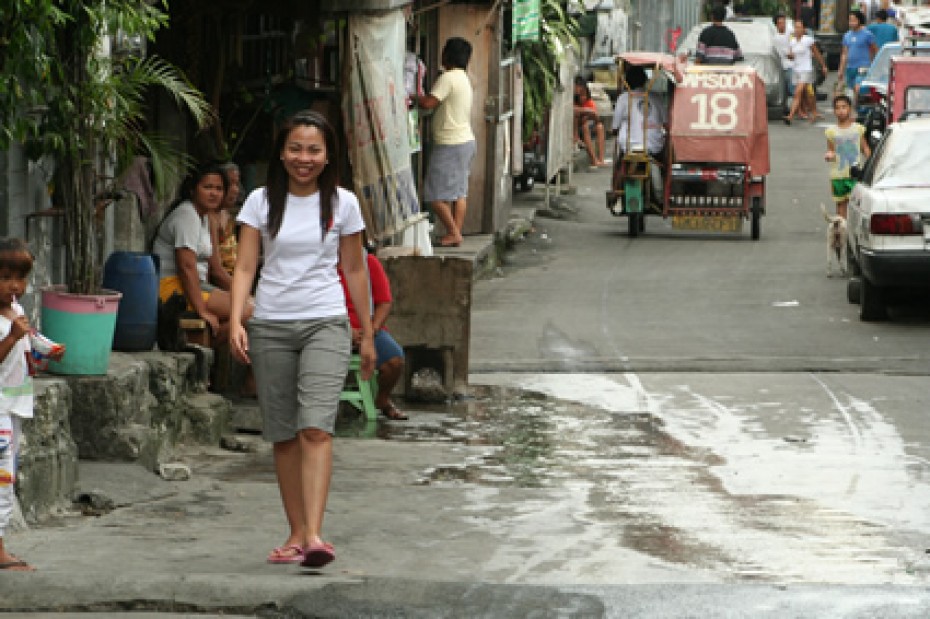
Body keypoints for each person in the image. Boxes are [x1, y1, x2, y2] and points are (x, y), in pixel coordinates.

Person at [228, 110, 376, 569]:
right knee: (284, 433)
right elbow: (247, 266)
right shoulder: (259, 201)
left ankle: (314, 534)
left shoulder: (343, 203)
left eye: (314, 149)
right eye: (296, 148)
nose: (304, 158)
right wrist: (237, 320)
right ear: (282, 151)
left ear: (329, 154)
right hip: (270, 323)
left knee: (315, 427)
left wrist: (367, 332)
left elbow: (354, 269)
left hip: (325, 323)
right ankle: (295, 532)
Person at [0, 238, 65, 572]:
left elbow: (23, 352)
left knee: (7, 475)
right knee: (2, 478)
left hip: (15, 404)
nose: (15, 286)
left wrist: (42, 352)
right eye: (6, 277)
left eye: (21, 278)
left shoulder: (19, 312)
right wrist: (11, 337)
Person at [153, 162, 252, 341]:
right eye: (207, 187)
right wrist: (202, 310)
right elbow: (186, 267)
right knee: (249, 311)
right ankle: (210, 342)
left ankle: (211, 343)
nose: (214, 193)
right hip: (171, 288)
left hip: (195, 285)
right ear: (193, 190)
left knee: (252, 306)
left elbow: (214, 267)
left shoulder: (204, 216)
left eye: (219, 188)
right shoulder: (187, 215)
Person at [417, 37, 476, 248]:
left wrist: (413, 96)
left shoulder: (448, 78)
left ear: (447, 55)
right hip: (466, 141)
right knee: (459, 192)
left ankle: (453, 232)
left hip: (450, 143)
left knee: (433, 194)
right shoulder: (463, 78)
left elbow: (429, 103)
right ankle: (455, 233)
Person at [338, 245, 407, 420]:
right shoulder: (320, 265)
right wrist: (346, 331)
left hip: (368, 329)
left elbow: (384, 302)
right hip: (331, 328)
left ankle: (382, 400)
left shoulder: (369, 263)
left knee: (395, 360)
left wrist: (371, 329)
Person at [824, 94, 871, 219]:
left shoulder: (858, 129)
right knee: (841, 206)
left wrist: (870, 163)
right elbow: (831, 150)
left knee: (856, 206)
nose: (841, 111)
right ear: (834, 111)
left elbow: (865, 148)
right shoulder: (831, 132)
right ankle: (842, 233)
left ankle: (852, 232)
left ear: (850, 109)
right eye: (837, 108)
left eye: (844, 107)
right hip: (838, 175)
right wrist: (830, 155)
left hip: (855, 175)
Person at [612, 65, 667, 157]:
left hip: (629, 147)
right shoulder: (657, 97)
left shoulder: (623, 98)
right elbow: (666, 123)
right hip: (655, 146)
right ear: (644, 80)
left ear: (627, 81)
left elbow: (615, 127)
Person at [784, 19, 829, 124]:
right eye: (796, 27)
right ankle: (814, 112)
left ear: (804, 29)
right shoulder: (792, 42)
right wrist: (789, 56)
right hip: (796, 70)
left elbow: (817, 53)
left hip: (806, 69)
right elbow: (791, 56)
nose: (797, 30)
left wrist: (823, 66)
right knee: (807, 93)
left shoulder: (808, 40)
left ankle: (790, 116)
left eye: (799, 27)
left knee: (797, 92)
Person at [210, 162, 242, 277]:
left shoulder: (226, 214)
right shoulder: (210, 218)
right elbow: (216, 270)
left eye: (236, 184)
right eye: (230, 183)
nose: (235, 190)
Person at [837, 10, 878, 101]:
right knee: (851, 90)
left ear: (859, 20)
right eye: (850, 20)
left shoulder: (867, 34)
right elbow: (844, 53)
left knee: (858, 88)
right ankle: (856, 109)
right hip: (850, 67)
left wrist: (874, 66)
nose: (851, 23)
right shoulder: (847, 35)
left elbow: (874, 49)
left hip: (863, 67)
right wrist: (841, 69)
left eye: (854, 20)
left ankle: (855, 108)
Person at [573, 80, 607, 168]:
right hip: (576, 129)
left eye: (585, 95)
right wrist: (586, 111)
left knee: (600, 127)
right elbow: (574, 110)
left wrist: (591, 114)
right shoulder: (574, 102)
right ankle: (593, 160)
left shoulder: (589, 102)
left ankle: (601, 159)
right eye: (581, 95)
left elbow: (596, 118)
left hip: (587, 127)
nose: (583, 97)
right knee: (584, 126)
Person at [774, 14, 794, 117]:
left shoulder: (790, 30)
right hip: (787, 66)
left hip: (794, 65)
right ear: (776, 25)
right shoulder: (777, 39)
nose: (783, 25)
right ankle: (791, 111)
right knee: (792, 89)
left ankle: (796, 110)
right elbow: (788, 55)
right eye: (780, 23)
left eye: (784, 22)